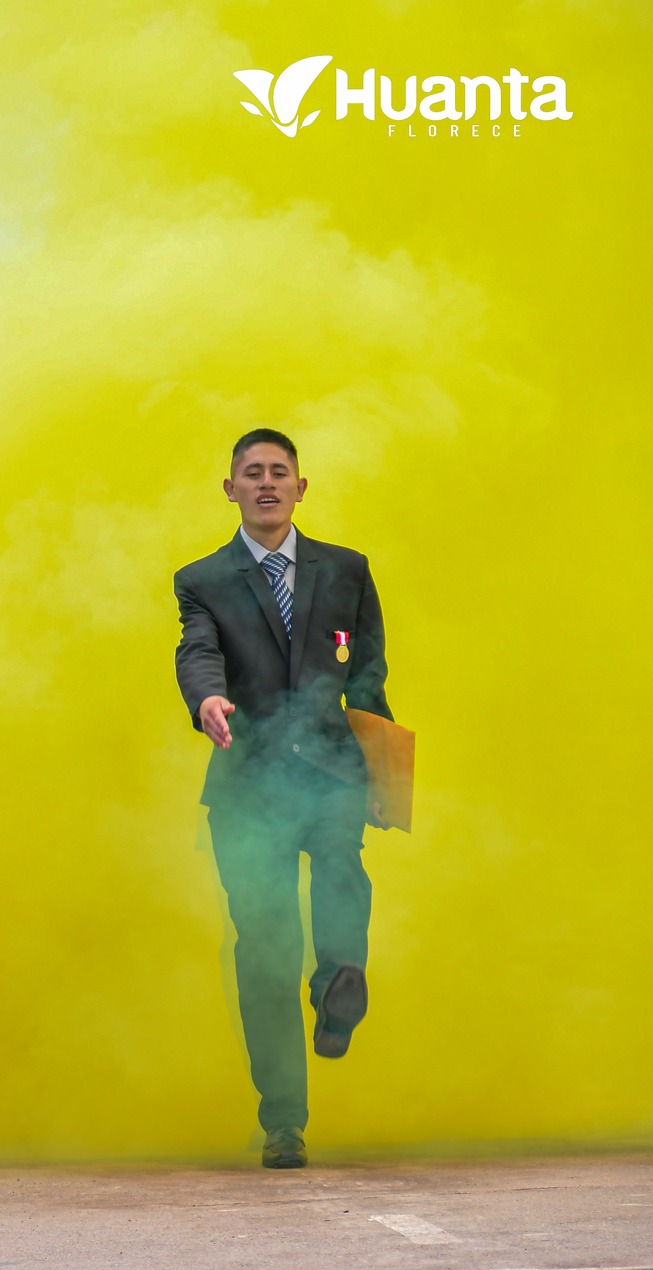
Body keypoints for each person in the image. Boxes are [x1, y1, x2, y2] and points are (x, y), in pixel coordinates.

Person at [174, 427, 392, 1172]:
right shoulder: (202, 579)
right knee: (264, 947)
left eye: (279, 472)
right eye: (251, 473)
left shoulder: (348, 570)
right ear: (229, 488)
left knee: (340, 867)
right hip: (248, 780)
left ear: (302, 487)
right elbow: (197, 650)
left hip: (332, 771)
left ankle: (338, 984)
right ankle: (284, 1122)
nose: (266, 483)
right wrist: (207, 701)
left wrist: (386, 774)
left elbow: (368, 675)